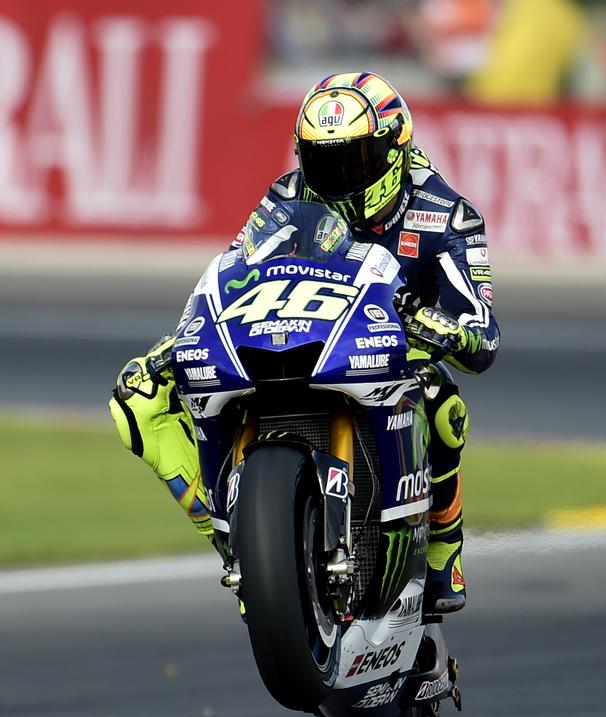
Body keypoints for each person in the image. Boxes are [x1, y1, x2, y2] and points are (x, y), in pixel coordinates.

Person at [109, 71, 500, 616]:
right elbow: (237, 274)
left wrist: (433, 323)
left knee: (442, 401)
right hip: (298, 336)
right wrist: (181, 343)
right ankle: (243, 547)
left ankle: (441, 549)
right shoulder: (287, 198)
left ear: (392, 152)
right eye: (322, 161)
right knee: (137, 399)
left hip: (389, 354)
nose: (337, 178)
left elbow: (482, 335)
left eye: (354, 162)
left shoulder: (447, 215)